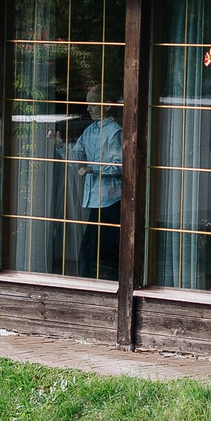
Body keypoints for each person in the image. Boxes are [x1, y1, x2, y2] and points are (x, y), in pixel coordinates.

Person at [67, 88, 122, 279]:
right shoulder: (90, 130)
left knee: (98, 250)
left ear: (106, 105)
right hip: (95, 198)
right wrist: (59, 144)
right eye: (88, 103)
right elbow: (76, 155)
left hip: (110, 199)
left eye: (93, 103)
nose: (88, 108)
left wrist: (93, 169)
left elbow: (120, 165)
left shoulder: (114, 132)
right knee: (92, 250)